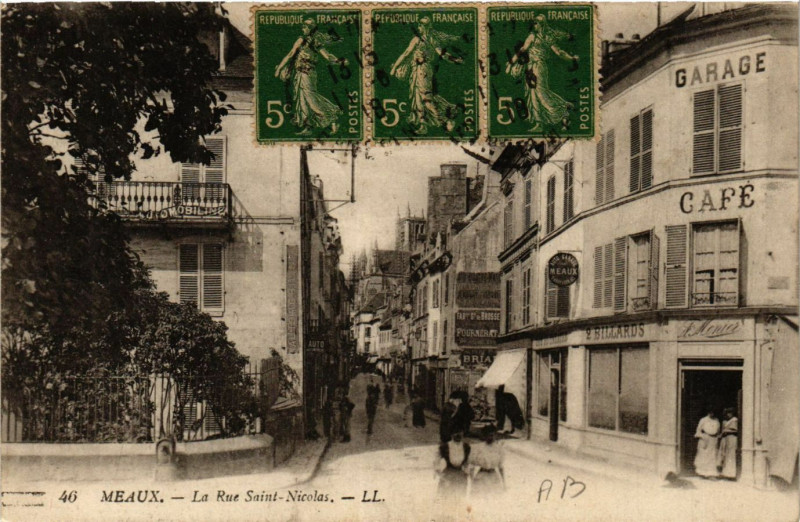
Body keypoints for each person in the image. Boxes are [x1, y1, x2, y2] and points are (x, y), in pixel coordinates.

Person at [389, 17, 464, 134]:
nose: (419, 28)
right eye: (418, 26)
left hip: (423, 70)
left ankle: (446, 121)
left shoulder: (424, 39)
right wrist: (454, 59)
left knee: (426, 99)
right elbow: (407, 54)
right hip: (417, 70)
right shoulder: (424, 40)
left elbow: (407, 54)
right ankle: (423, 125)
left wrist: (394, 68)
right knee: (417, 98)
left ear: (425, 27)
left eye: (420, 26)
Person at [504, 14, 578, 132]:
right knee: (533, 93)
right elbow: (522, 50)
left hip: (539, 67)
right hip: (530, 67)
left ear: (542, 24)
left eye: (537, 23)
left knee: (540, 92)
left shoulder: (544, 37)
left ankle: (563, 108)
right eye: (534, 23)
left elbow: (559, 53)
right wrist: (511, 62)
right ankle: (541, 122)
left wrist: (571, 58)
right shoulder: (534, 36)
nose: (535, 25)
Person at [274, 19, 347, 135]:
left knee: (311, 99)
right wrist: (279, 68)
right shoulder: (301, 40)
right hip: (299, 74)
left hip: (308, 74)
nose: (303, 29)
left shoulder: (314, 42)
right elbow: (291, 55)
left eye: (305, 27)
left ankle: (333, 117)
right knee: (302, 100)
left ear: (310, 28)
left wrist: (339, 61)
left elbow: (327, 56)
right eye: (303, 26)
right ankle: (308, 127)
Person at [435, 432, 471, 498]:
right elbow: (436, 459)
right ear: (451, 434)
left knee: (460, 496)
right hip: (448, 473)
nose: (458, 435)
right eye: (455, 432)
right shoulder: (445, 446)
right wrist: (438, 471)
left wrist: (467, 471)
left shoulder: (466, 446)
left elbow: (468, 461)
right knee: (447, 495)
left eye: (460, 432)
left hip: (460, 474)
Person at [694, 408, 720, 478]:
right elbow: (698, 430)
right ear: (708, 412)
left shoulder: (716, 420)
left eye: (713, 412)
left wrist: (716, 438)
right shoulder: (703, 420)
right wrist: (702, 437)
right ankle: (702, 473)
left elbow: (718, 431)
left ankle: (711, 474)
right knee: (704, 456)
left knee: (712, 456)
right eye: (710, 412)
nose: (712, 414)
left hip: (713, 439)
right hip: (705, 438)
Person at [717, 407, 738, 479]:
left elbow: (736, 431)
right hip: (727, 439)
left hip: (732, 438)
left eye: (730, 413)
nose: (729, 415)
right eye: (728, 413)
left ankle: (731, 474)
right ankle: (726, 473)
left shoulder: (734, 420)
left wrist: (727, 431)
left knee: (731, 456)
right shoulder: (726, 421)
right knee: (726, 455)